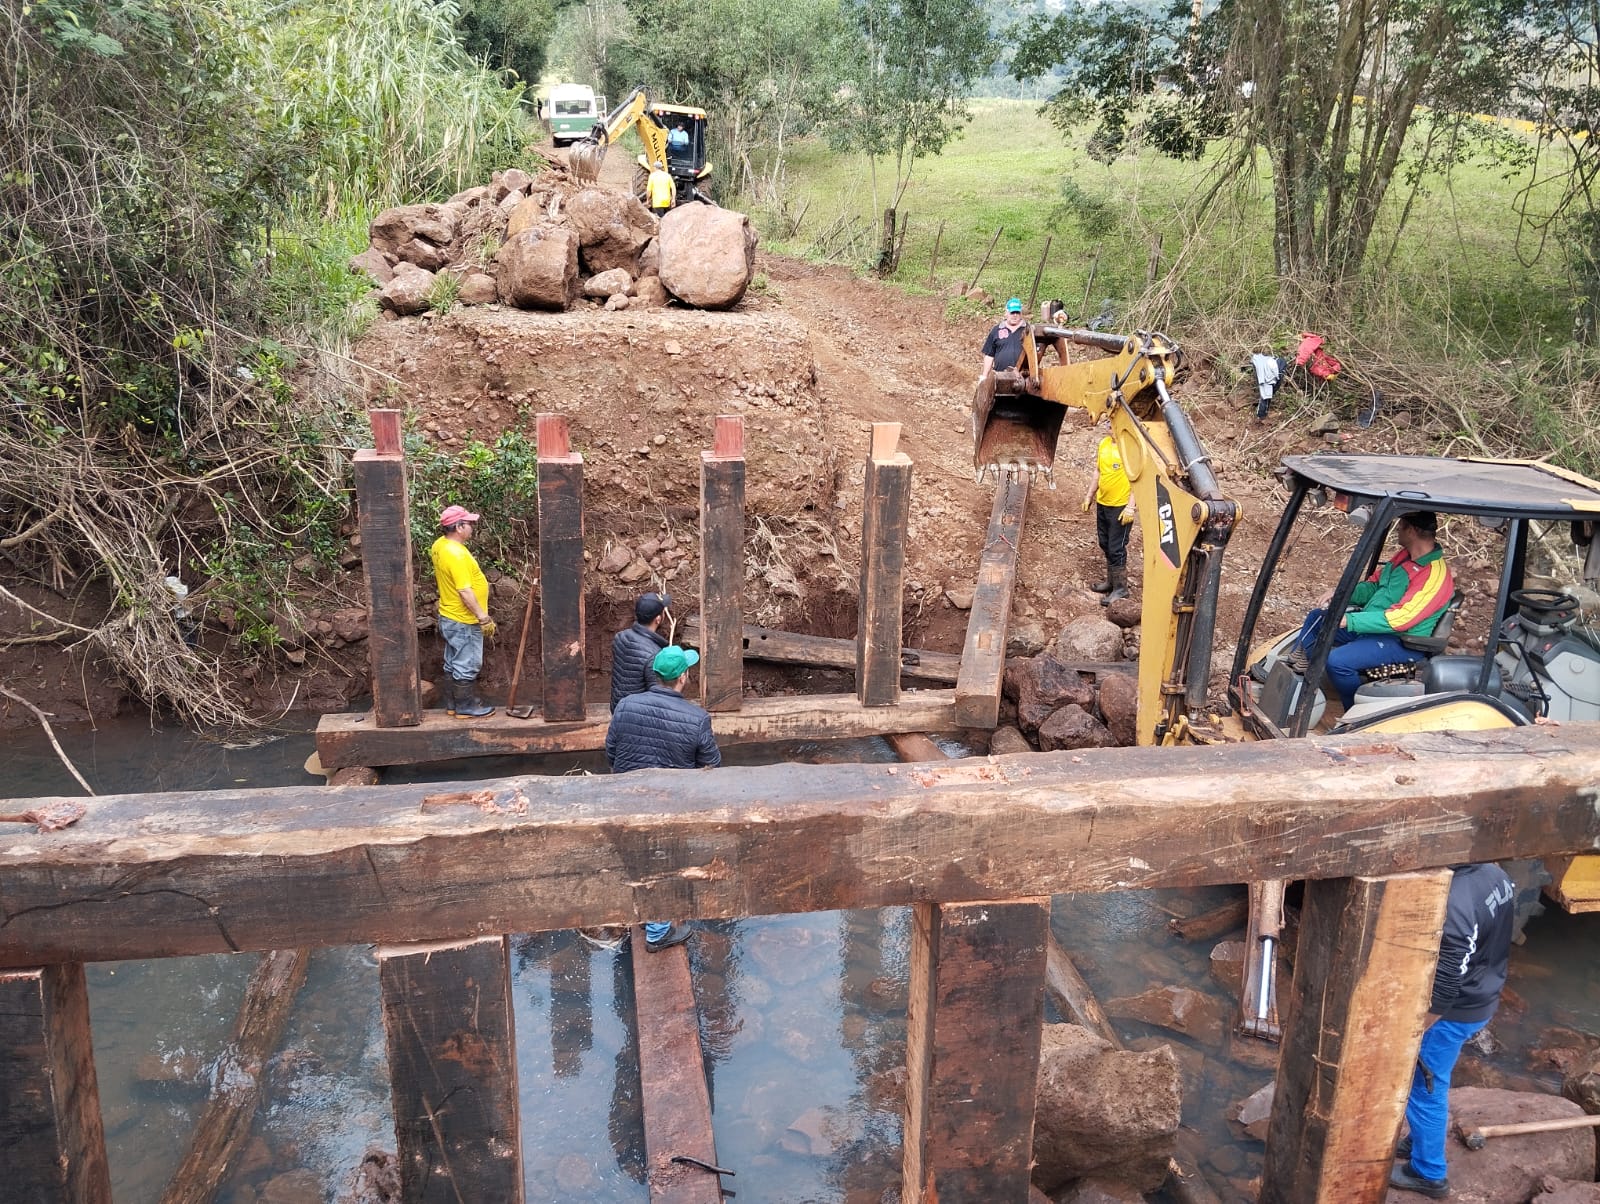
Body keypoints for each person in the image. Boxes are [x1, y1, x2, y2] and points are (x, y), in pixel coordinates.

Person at [1391, 862, 1515, 1198]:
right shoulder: (1494, 873)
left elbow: (1445, 987)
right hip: (1485, 991)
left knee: (1425, 1085)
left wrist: (1414, 1031)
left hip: (1456, 1009)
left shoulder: (1456, 901)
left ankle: (1428, 1172)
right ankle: (1417, 1140)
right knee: (1434, 1076)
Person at [604, 646, 721, 951]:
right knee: (665, 863)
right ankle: (657, 932)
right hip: (670, 806)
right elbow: (712, 767)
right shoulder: (697, 718)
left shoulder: (626, 705)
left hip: (627, 798)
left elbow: (612, 752)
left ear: (655, 675)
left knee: (639, 859)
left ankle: (644, 914)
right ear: (683, 677)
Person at [1287, 511, 1454, 708]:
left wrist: (1351, 621)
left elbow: (1403, 619)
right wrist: (1340, 594)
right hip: (1373, 625)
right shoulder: (1403, 557)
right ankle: (1302, 671)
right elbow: (1373, 586)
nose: (1397, 530)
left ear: (1412, 530)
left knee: (1337, 662)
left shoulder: (1435, 575)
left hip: (1400, 640)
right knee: (1318, 619)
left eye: (1401, 525)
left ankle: (1353, 710)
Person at [430, 504, 496, 718]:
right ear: (458, 527)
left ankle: (453, 704)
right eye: (469, 524)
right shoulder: (455, 554)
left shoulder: (440, 545)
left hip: (449, 616)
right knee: (467, 663)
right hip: (464, 619)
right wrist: (483, 617)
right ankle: (465, 707)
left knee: (453, 661)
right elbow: (465, 591)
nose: (472, 528)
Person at [1082, 416, 1133, 604]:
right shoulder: (1104, 444)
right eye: (1107, 423)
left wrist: (1131, 507)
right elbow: (1098, 471)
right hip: (1103, 503)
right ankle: (1111, 582)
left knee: (1116, 547)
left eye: (1111, 423)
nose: (1108, 426)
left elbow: (1137, 480)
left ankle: (1121, 589)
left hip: (1120, 506)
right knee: (1105, 543)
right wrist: (1089, 495)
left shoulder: (1129, 448)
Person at [611, 592, 672, 711]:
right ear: (658, 619)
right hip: (636, 716)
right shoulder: (655, 655)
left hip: (617, 708)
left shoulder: (620, 637)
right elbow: (656, 697)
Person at [980, 297, 1028, 375]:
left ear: (1021, 314)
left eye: (1017, 312)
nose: (1015, 315)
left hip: (1023, 377)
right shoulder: (996, 330)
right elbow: (989, 355)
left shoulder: (1028, 331)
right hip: (1000, 376)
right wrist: (984, 376)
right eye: (1012, 313)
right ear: (1006, 313)